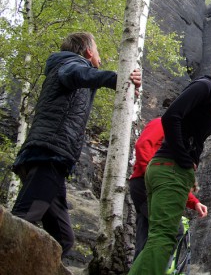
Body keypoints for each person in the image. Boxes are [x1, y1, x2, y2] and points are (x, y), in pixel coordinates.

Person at [11, 32, 142, 258]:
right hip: (49, 155)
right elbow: (78, 74)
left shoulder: (68, 66)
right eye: (98, 51)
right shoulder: (71, 64)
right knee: (22, 220)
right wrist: (117, 78)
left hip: (53, 159)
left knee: (63, 239)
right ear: (89, 51)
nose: (100, 58)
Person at [128, 53, 211, 274]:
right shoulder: (204, 87)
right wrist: (184, 161)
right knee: (164, 237)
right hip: (170, 167)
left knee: (159, 237)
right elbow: (171, 116)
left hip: (170, 170)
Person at [128, 116, 208, 260]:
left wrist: (194, 202)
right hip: (146, 183)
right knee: (172, 230)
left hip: (148, 183)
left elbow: (174, 180)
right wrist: (152, 175)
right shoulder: (165, 122)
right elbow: (143, 145)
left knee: (147, 236)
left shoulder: (181, 133)